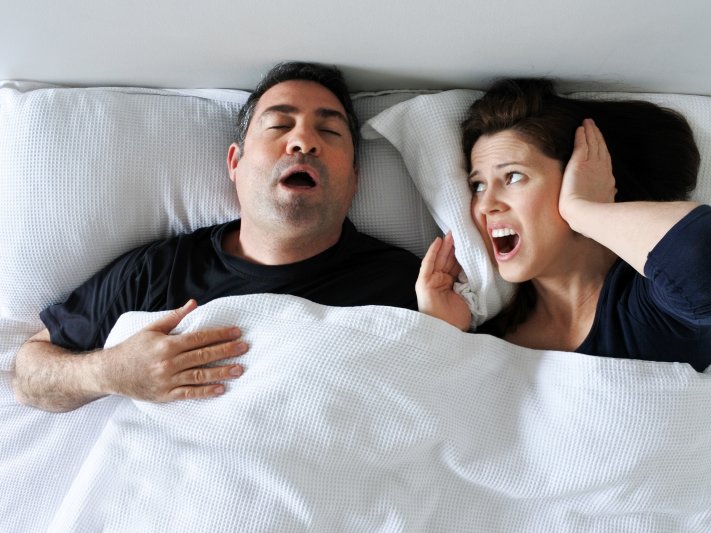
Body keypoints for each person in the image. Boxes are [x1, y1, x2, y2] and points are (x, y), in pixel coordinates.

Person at [13, 61, 421, 412]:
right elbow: (28, 373)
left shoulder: (412, 287)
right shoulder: (161, 271)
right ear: (235, 163)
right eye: (279, 124)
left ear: (354, 179)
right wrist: (112, 371)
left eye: (330, 132)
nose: (303, 142)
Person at [416, 78, 711, 371]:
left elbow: (708, 253)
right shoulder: (488, 341)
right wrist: (440, 336)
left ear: (579, 177)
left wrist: (583, 211)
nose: (486, 205)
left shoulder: (653, 307)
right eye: (478, 185)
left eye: (513, 176)